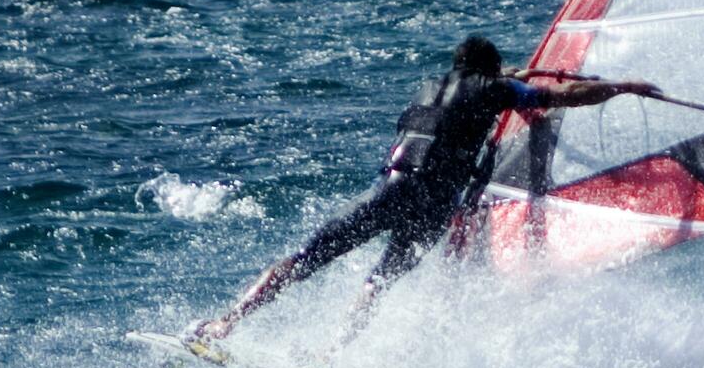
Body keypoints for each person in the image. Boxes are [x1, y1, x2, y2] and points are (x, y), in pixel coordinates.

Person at [188, 35, 657, 343]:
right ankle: (330, 353)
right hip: (430, 203)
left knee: (307, 258)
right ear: (491, 69)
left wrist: (515, 76)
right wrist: (623, 86)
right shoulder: (498, 89)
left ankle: (225, 323)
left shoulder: (428, 86)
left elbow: (494, 82)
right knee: (380, 280)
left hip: (390, 190)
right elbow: (561, 97)